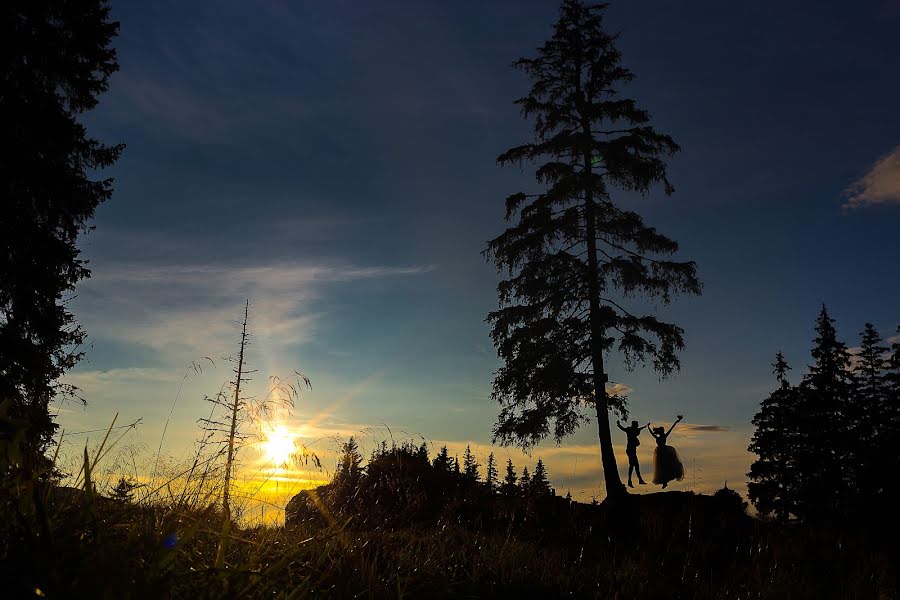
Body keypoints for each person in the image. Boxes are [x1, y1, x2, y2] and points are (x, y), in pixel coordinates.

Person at [648, 415, 685, 489]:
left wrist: (676, 422)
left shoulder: (664, 436)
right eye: (662, 431)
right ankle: (664, 482)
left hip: (664, 452)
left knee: (666, 466)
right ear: (661, 431)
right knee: (662, 468)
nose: (663, 432)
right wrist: (648, 427)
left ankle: (666, 481)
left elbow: (671, 428)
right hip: (661, 452)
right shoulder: (659, 437)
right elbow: (652, 433)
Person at [616, 419, 650, 487]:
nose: (637, 426)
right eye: (636, 425)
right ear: (634, 425)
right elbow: (623, 428)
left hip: (632, 450)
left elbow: (640, 428)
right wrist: (619, 424)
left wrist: (645, 426)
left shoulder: (633, 430)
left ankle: (637, 480)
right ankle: (632, 481)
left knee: (634, 465)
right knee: (633, 465)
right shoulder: (630, 430)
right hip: (630, 450)